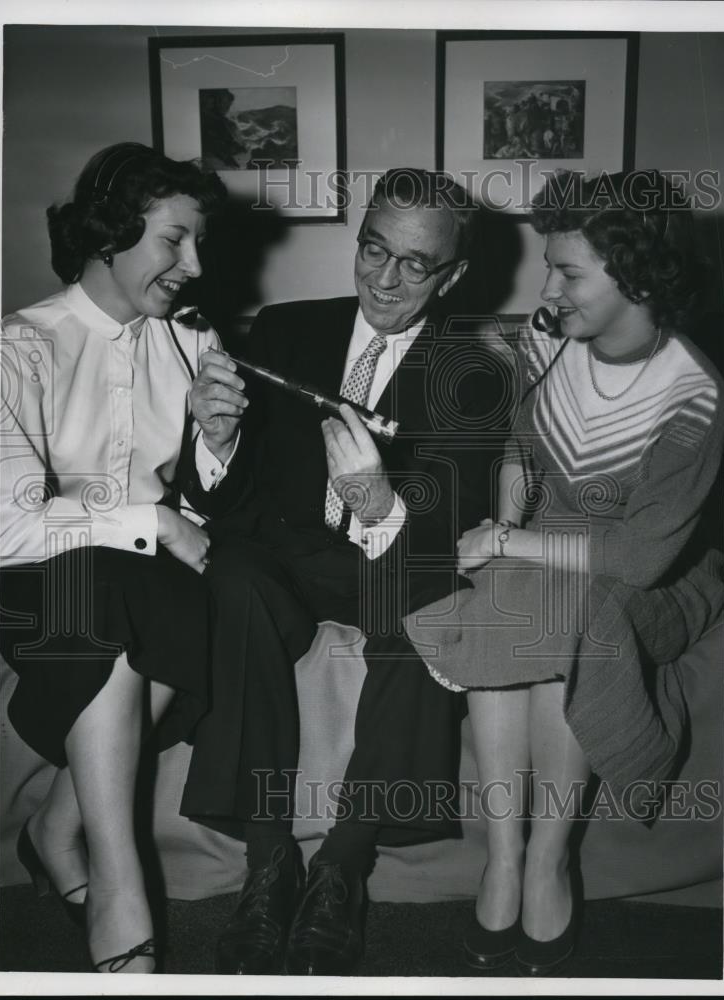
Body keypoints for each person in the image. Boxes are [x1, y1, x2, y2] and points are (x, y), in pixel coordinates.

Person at [178, 168, 507, 975]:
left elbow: (447, 529)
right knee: (232, 578)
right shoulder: (285, 331)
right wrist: (215, 443)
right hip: (285, 561)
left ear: (454, 275)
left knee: (433, 600)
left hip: (388, 564)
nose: (384, 280)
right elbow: (231, 500)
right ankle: (269, 862)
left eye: (415, 266)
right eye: (372, 251)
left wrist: (375, 497)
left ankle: (343, 865)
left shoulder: (478, 372)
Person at [403, 169, 724, 976]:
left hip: (653, 580)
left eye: (569, 271)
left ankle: (548, 859)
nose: (547, 288)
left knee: (557, 598)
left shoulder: (697, 396)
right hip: (548, 543)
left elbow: (639, 558)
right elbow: (521, 446)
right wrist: (511, 522)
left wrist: (510, 546)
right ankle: (504, 855)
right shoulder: (555, 339)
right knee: (525, 593)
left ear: (637, 277)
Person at [0, 142, 227, 972]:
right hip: (40, 582)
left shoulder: (190, 342)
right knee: (107, 583)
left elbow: (209, 504)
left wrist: (219, 440)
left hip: (140, 581)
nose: (194, 265)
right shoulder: (13, 345)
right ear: (108, 235)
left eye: (198, 243)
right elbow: (1, 529)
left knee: (209, 593)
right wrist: (156, 523)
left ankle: (56, 830)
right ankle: (121, 888)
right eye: (175, 239)